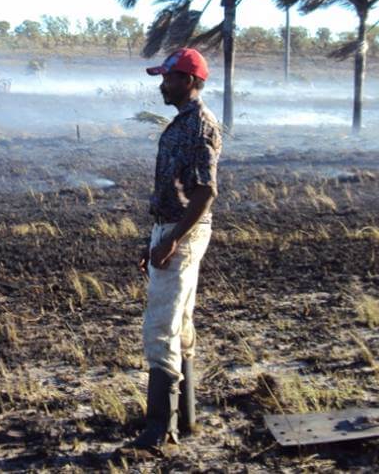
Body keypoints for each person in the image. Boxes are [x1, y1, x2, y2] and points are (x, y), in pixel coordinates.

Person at [131, 47, 223, 453]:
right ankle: (185, 420)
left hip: (181, 234)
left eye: (168, 78)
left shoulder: (199, 125)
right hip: (170, 230)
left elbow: (206, 192)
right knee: (180, 325)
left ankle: (158, 431)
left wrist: (170, 240)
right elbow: (176, 189)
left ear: (188, 80)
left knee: (160, 328)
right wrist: (154, 239)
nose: (161, 85)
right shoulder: (182, 123)